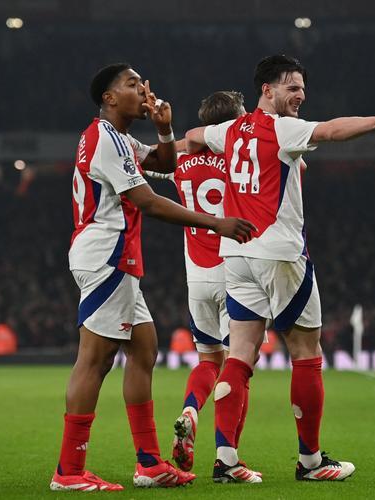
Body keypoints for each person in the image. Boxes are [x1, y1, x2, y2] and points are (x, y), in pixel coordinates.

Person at [184, 54, 375, 483]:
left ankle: (226, 460)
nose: (300, 95)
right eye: (291, 87)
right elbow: (331, 130)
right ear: (267, 90)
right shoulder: (281, 128)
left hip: (235, 256)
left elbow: (194, 135)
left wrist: (182, 147)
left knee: (239, 355)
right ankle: (311, 462)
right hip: (279, 255)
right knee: (306, 354)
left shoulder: (229, 131)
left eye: (303, 88)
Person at [52, 63, 256, 491]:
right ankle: (69, 471)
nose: (142, 90)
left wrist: (164, 129)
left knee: (144, 350)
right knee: (95, 360)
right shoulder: (105, 139)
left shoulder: (119, 138)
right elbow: (146, 200)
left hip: (118, 257)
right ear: (109, 98)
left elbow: (163, 161)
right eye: (131, 84)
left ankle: (149, 463)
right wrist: (214, 223)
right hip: (106, 255)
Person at [145, 90, 261, 481]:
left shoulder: (180, 162)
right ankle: (229, 458)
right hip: (236, 272)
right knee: (240, 365)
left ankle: (190, 411)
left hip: (197, 275)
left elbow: (148, 162)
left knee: (209, 361)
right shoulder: (241, 156)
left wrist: (172, 139)